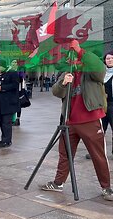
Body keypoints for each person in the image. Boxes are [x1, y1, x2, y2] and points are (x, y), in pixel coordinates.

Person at [41, 40, 113, 201]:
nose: (73, 59)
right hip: (69, 121)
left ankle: (106, 187)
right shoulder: (69, 71)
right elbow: (56, 91)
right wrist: (63, 82)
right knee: (65, 153)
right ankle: (58, 182)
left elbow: (100, 70)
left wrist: (81, 51)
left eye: (76, 56)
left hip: (90, 119)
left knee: (98, 155)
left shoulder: (92, 71)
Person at [86, 50, 113, 160]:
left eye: (111, 58)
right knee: (99, 130)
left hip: (112, 104)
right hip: (102, 104)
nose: (110, 60)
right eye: (107, 58)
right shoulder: (101, 73)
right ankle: (96, 152)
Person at [0, 60, 20, 148]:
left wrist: (2, 88)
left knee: (6, 122)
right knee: (1, 121)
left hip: (8, 103)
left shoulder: (12, 73)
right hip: (0, 103)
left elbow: (14, 85)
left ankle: (7, 140)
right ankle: (4, 138)